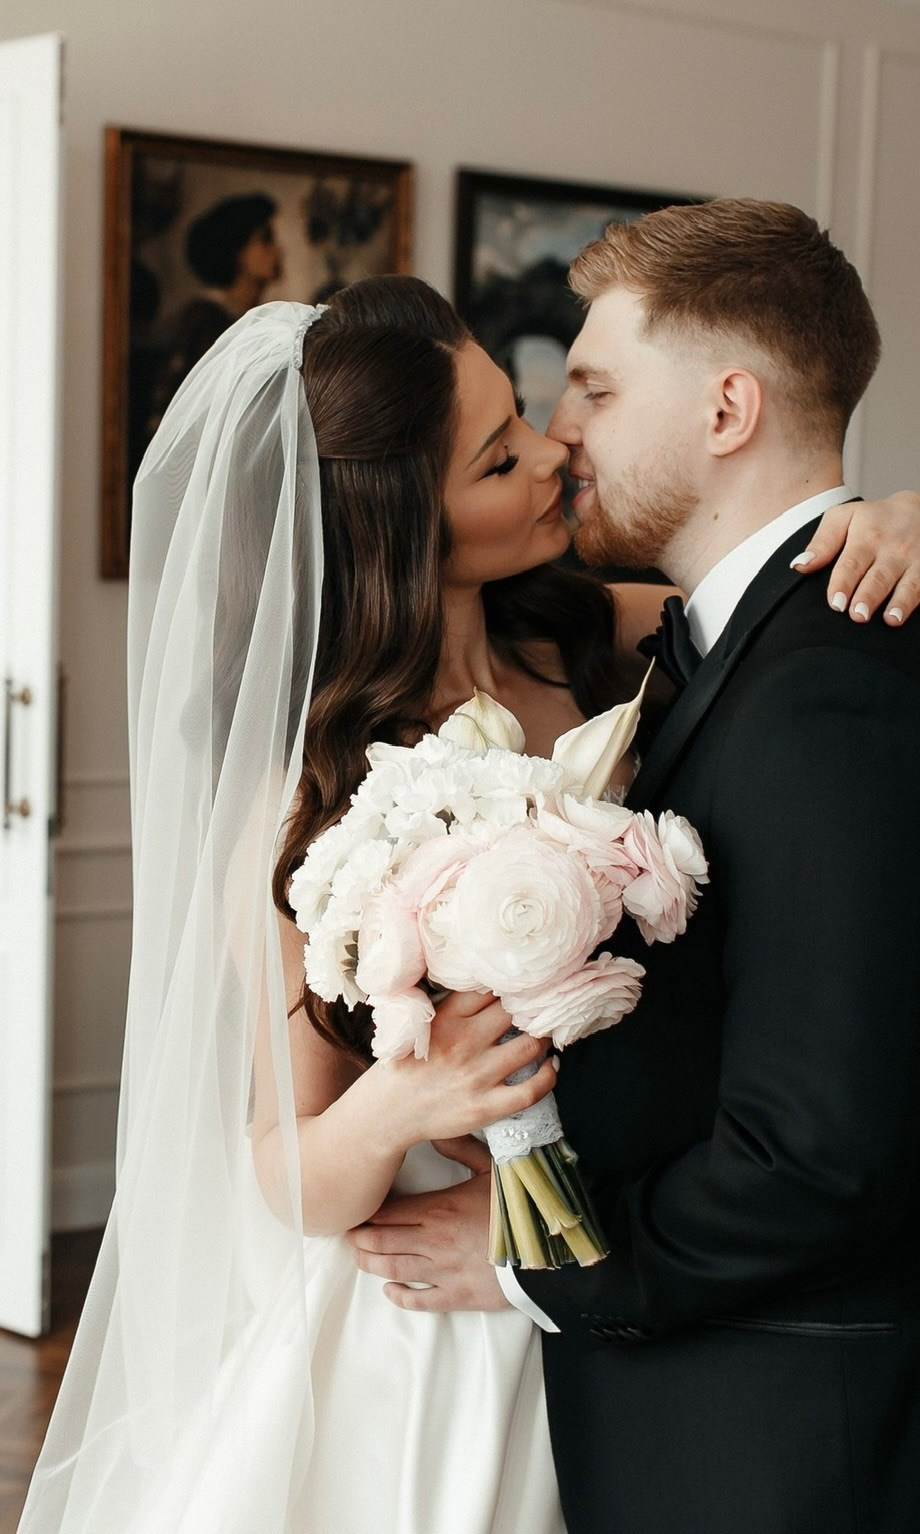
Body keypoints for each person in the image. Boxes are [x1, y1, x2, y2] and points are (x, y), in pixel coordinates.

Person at [17, 273, 920, 1534]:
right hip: (428, 1321)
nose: (558, 453)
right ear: (408, 531)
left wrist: (902, 518)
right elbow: (284, 1167)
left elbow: (775, 601)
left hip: (621, 1294)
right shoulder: (308, 792)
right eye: (501, 457)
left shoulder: (592, 642)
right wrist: (406, 1098)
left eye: (527, 411)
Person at [357, 208, 920, 1534]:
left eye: (596, 390)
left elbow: (817, 1152)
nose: (563, 438)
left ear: (728, 408)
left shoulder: (826, 682)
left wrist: (543, 1255)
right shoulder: (708, 646)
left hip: (773, 1443)